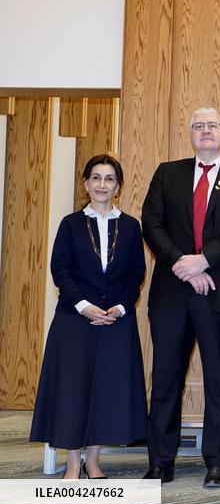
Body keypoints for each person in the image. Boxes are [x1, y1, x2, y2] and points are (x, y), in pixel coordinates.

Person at [141, 108, 220, 488]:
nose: (205, 131)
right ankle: (161, 461)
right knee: (164, 381)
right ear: (190, 134)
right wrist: (182, 263)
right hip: (172, 293)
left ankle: (217, 461)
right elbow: (152, 223)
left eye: (212, 125)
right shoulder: (168, 172)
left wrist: (205, 261)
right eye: (198, 126)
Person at [30, 155, 147, 480]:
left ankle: (93, 462)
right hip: (75, 320)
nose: (102, 185)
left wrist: (120, 308)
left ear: (118, 186)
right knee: (73, 391)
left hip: (116, 321)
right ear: (85, 184)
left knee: (105, 391)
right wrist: (83, 305)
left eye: (109, 179)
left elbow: (136, 273)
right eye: (96, 178)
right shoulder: (70, 224)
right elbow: (60, 270)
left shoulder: (130, 226)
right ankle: (71, 464)